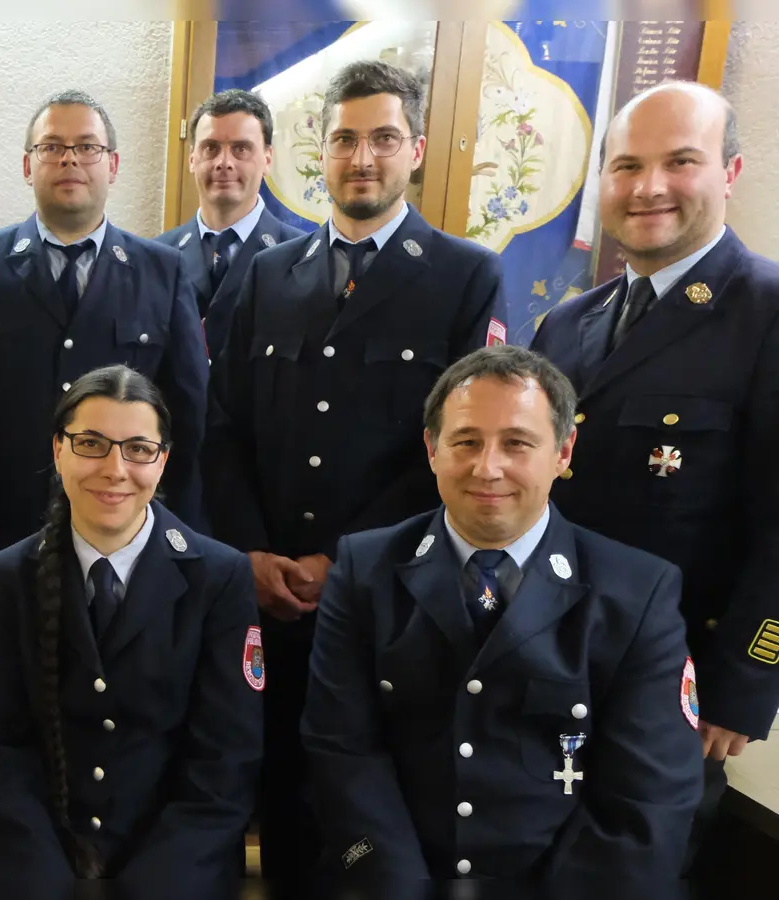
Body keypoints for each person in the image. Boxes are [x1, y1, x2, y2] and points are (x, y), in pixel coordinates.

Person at [201, 59, 507, 883]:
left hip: (387, 595)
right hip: (268, 592)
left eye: (381, 138)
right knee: (272, 789)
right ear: (320, 153)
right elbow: (220, 425)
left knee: (369, 803)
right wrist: (249, 552)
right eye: (344, 139)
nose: (361, 157)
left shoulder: (463, 275)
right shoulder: (266, 273)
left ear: (415, 148)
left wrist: (348, 558)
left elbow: (455, 447)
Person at [302, 344, 703, 881]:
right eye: (466, 441)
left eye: (517, 443)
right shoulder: (363, 569)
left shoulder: (638, 592)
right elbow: (342, 751)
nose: (488, 468)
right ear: (431, 449)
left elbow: (648, 797)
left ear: (563, 452)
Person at [529, 80, 779, 868]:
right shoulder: (567, 324)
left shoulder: (768, 312)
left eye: (681, 161)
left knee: (635, 872)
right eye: (627, 164)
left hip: (676, 683)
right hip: (546, 661)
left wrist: (742, 683)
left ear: (729, 172)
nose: (648, 187)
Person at [0, 365, 261, 893]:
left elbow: (224, 765)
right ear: (58, 450)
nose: (114, 469)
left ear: (163, 461)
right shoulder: (10, 574)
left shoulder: (219, 577)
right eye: (91, 443)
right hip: (30, 860)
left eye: (138, 448)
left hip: (172, 867)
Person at [0, 89, 209, 611]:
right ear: (28, 165)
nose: (69, 158)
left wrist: (172, 532)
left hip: (129, 540)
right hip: (1, 543)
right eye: (51, 147)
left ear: (112, 165)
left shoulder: (162, 271)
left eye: (87, 147)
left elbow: (189, 415)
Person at [154, 88, 300, 352]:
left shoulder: (301, 258)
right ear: (191, 159)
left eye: (241, 149)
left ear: (267, 159)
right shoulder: (156, 257)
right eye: (210, 148)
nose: (224, 162)